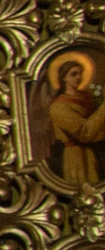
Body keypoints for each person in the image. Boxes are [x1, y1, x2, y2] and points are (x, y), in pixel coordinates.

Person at [50, 56, 105, 184]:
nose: (78, 77)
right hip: (77, 157)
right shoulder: (58, 107)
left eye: (80, 73)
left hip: (95, 152)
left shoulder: (86, 97)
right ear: (63, 78)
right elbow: (84, 132)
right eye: (73, 74)